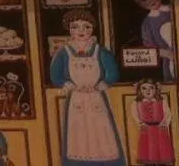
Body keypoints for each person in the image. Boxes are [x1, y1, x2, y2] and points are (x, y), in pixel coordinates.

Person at [49, 9, 128, 166]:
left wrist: (102, 84)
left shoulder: (101, 52)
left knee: (102, 132)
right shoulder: (63, 53)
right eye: (75, 27)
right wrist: (67, 84)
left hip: (96, 98)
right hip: (76, 100)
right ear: (69, 29)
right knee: (77, 134)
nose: (81, 31)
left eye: (86, 27)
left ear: (92, 29)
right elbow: (55, 75)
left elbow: (112, 72)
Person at [131, 0, 177, 82]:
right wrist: (169, 54)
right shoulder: (147, 23)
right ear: (140, 4)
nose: (149, 0)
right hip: (171, 62)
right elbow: (150, 47)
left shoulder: (175, 9)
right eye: (143, 0)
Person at [131, 78, 176, 165]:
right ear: (139, 90)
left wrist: (164, 122)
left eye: (151, 88)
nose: (148, 91)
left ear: (156, 89)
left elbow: (168, 113)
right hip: (146, 130)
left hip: (160, 129)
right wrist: (140, 123)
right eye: (144, 88)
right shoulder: (136, 103)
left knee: (162, 152)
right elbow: (135, 114)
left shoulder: (162, 101)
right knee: (148, 152)